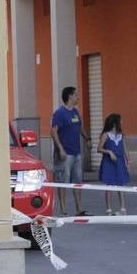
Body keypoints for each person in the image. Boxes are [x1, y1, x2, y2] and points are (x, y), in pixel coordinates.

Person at [49, 86, 87, 216]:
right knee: (62, 181)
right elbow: (53, 132)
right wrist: (60, 149)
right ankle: (63, 209)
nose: (78, 97)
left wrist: (87, 138)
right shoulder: (59, 113)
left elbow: (80, 127)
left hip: (76, 152)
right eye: (76, 95)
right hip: (65, 153)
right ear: (69, 96)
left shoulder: (75, 112)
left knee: (77, 181)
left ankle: (79, 208)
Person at [98, 113, 131, 215]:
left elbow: (125, 149)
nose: (121, 122)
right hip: (109, 162)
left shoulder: (121, 135)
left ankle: (123, 209)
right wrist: (109, 152)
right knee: (110, 185)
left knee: (121, 184)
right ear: (114, 123)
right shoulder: (106, 135)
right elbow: (99, 149)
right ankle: (108, 210)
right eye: (119, 121)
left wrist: (128, 161)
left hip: (120, 162)